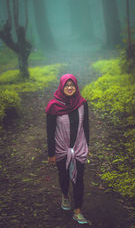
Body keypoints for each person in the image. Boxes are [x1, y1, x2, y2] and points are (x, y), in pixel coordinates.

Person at [46, 74, 89, 224]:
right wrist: (51, 154)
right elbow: (50, 132)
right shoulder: (53, 106)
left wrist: (87, 146)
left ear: (76, 87)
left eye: (72, 85)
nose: (69, 87)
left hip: (79, 148)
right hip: (61, 148)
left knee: (79, 180)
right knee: (64, 176)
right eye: (66, 85)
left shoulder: (82, 103)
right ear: (61, 87)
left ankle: (78, 211)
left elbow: (86, 127)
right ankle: (65, 195)